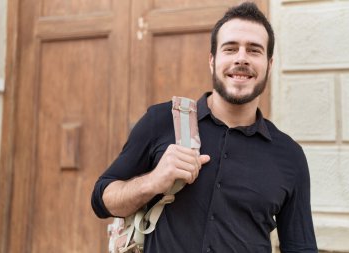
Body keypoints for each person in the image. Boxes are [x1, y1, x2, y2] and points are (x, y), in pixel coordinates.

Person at [91, 2, 318, 252]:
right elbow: (102, 200)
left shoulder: (290, 156)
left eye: (254, 50)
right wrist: (153, 181)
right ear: (212, 61)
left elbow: (300, 246)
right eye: (230, 49)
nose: (241, 58)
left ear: (269, 65)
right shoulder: (162, 121)